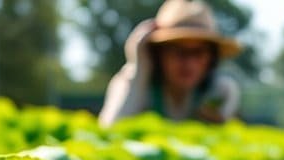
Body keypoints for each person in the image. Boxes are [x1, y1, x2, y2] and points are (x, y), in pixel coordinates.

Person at [99, 0, 242, 127]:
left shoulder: (219, 90)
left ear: (211, 58)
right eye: (178, 51)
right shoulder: (131, 81)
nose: (189, 62)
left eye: (198, 52)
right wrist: (139, 72)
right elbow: (110, 130)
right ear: (158, 54)